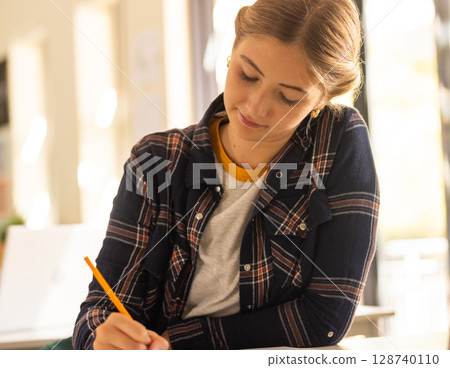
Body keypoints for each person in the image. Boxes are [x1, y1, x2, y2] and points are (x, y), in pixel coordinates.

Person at [73, 0, 379, 350]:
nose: (255, 107)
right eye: (247, 75)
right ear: (231, 52)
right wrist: (99, 336)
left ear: (321, 100)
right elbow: (99, 310)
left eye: (289, 97)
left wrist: (179, 342)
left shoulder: (338, 143)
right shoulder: (155, 159)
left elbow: (326, 318)